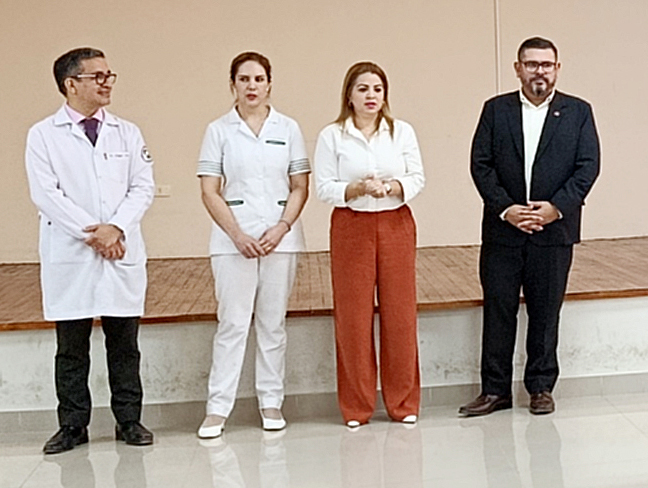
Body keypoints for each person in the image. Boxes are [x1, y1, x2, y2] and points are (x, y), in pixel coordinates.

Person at [460, 37, 600, 417]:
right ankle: (494, 391)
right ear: (518, 68)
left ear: (557, 69)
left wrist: (556, 208)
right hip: (503, 231)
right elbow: (481, 165)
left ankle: (540, 387)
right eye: (532, 64)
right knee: (498, 310)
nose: (540, 71)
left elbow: (587, 166)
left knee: (545, 312)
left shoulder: (578, 112)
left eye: (547, 64)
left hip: (554, 232)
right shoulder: (495, 110)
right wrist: (506, 209)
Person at [25, 47, 155, 454]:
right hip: (73, 251)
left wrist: (115, 228)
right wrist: (94, 234)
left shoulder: (127, 132)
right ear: (71, 84)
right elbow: (46, 194)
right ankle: (72, 425)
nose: (106, 82)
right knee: (71, 348)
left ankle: (129, 420)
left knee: (124, 345)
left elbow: (142, 186)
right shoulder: (43, 135)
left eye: (109, 75)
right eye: (97, 76)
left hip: (120, 248)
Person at [197, 52, 310, 438]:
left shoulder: (288, 128)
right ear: (232, 84)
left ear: (269, 84)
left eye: (259, 79)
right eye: (244, 79)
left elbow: (300, 186)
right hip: (233, 242)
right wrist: (237, 235)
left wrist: (281, 227)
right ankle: (217, 408)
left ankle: (271, 401)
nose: (252, 86)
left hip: (280, 239)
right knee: (232, 323)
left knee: (272, 323)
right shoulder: (218, 130)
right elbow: (210, 190)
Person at [314, 61, 425, 427]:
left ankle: (403, 402)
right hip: (351, 226)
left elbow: (417, 177)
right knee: (353, 317)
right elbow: (324, 187)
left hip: (395, 224)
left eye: (377, 89)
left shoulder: (401, 131)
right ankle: (356, 406)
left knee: (400, 314)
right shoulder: (332, 135)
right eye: (363, 89)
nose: (371, 96)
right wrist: (356, 189)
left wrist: (391, 187)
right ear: (349, 95)